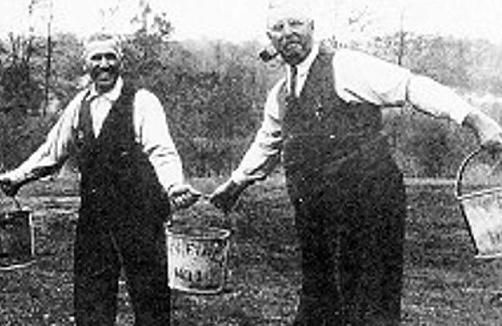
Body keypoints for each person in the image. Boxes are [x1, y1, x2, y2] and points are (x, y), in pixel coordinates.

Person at [208, 5, 502, 326]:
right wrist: (235, 185)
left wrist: (475, 120)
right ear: (270, 38)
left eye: (296, 23)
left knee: (369, 302)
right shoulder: (281, 93)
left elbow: (411, 86)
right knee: (319, 297)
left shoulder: (345, 66)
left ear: (312, 27)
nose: (288, 32)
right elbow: (268, 142)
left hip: (369, 203)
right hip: (316, 211)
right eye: (278, 27)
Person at [0, 34, 201, 326]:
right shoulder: (79, 105)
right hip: (94, 219)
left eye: (110, 57)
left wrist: (174, 185)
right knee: (91, 303)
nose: (104, 64)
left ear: (120, 61)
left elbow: (162, 151)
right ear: (85, 64)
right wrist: (16, 178)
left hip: (141, 217)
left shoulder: (142, 101)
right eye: (96, 58)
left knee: (150, 301)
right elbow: (52, 152)